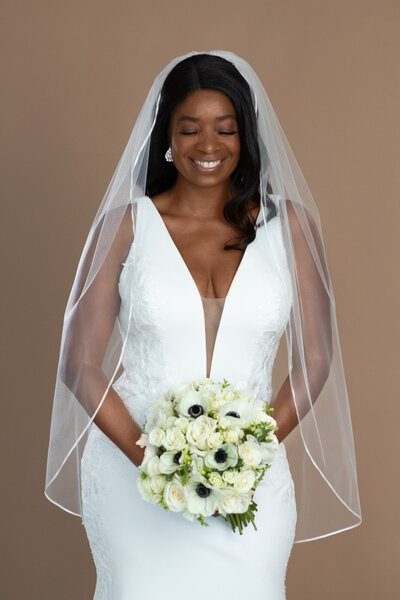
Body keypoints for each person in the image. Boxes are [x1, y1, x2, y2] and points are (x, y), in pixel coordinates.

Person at [45, 51, 362, 599]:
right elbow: (79, 364)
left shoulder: (292, 228)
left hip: (250, 482)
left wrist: (246, 453)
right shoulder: (125, 226)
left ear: (246, 136)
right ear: (166, 133)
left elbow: (315, 360)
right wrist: (155, 462)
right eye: (190, 129)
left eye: (225, 129)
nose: (208, 146)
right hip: (133, 477)